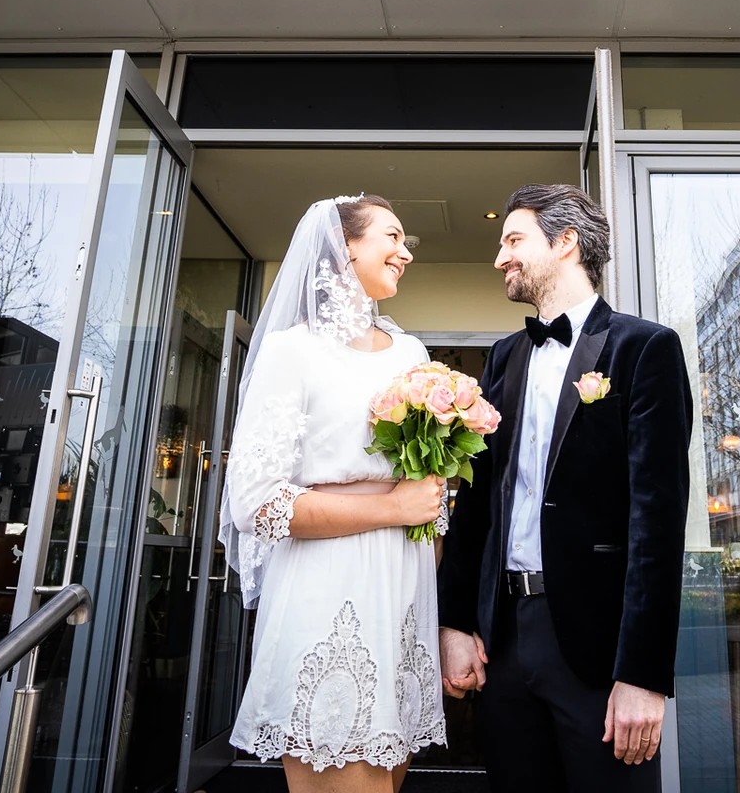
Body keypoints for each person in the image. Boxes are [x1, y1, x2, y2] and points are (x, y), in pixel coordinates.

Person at [437, 184, 694, 792]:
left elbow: (656, 525)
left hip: (597, 650)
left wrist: (643, 675)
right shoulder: (502, 358)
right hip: (503, 640)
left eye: (513, 240)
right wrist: (455, 625)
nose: (500, 257)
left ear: (566, 242)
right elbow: (474, 505)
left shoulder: (645, 348)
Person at [221, 195, 448, 791]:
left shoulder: (411, 353)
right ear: (346, 246)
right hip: (328, 589)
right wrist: (392, 508)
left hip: (403, 597)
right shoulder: (292, 350)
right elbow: (256, 502)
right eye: (392, 237)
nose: (405, 253)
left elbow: (426, 485)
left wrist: (427, 523)